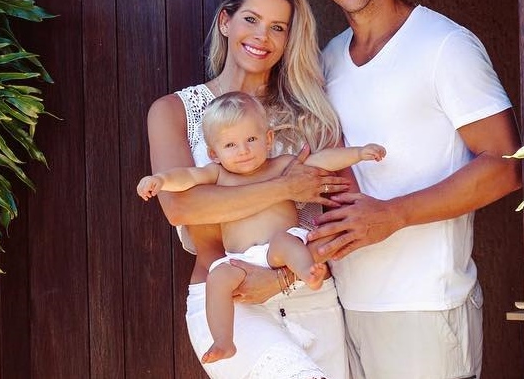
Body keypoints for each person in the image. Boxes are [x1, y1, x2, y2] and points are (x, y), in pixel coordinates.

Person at [298, 0, 523, 379]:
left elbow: (506, 166)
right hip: (346, 302)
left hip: (427, 303)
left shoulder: (444, 46)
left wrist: (393, 214)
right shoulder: (327, 60)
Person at [146, 0, 353, 379]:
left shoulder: (311, 117)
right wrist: (286, 186)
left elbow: (338, 221)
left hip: (309, 295)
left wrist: (280, 279)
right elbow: (182, 208)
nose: (262, 37)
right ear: (226, 22)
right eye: (251, 19)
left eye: (278, 28)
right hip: (229, 300)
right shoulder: (174, 111)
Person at [139, 91, 385, 364]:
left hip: (279, 248)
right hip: (241, 259)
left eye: (251, 140)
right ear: (213, 153)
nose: (243, 151)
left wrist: (358, 153)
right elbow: (186, 176)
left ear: (268, 139)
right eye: (230, 145)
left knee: (286, 242)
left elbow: (322, 161)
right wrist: (161, 180)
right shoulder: (217, 174)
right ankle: (223, 340)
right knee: (217, 278)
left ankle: (307, 272)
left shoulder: (282, 166)